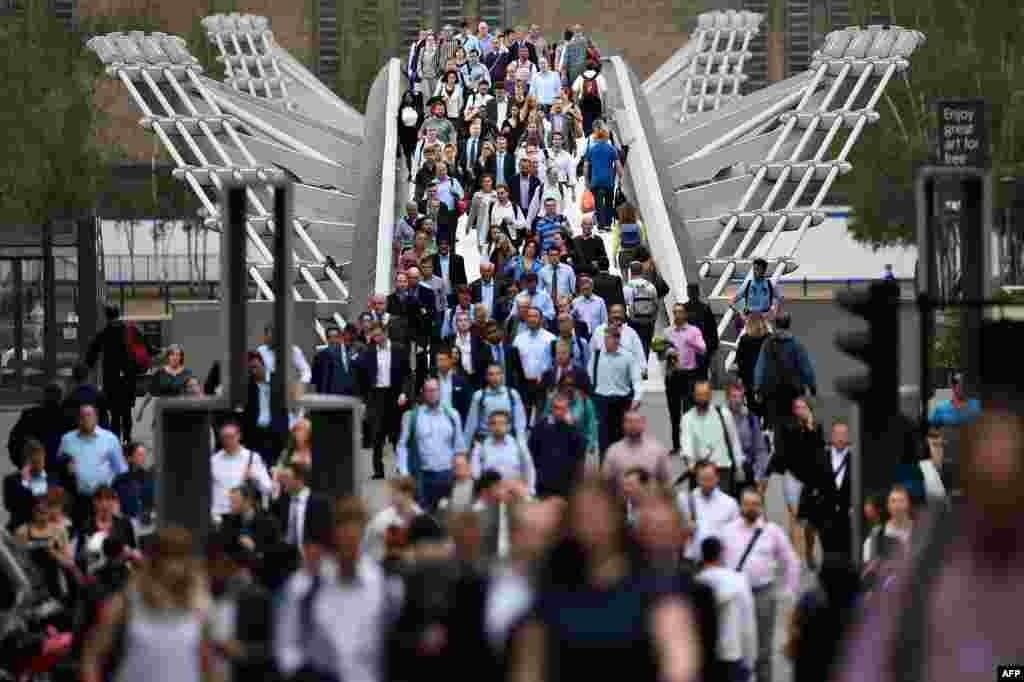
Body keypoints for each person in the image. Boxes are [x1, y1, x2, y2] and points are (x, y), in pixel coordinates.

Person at [509, 476, 702, 682]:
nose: (592, 522)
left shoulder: (656, 588)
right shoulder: (551, 593)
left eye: (598, 512)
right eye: (583, 514)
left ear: (616, 517)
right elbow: (528, 667)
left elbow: (679, 664)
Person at [81, 526, 210, 682]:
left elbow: (206, 662)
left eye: (179, 556)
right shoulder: (125, 601)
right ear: (153, 558)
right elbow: (92, 655)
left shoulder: (199, 604)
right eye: (166, 555)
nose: (173, 564)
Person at [721, 488, 801, 682]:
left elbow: (791, 560)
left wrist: (790, 589)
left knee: (764, 647)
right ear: (740, 506)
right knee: (735, 646)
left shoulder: (772, 531)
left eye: (755, 504)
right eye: (747, 504)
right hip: (736, 595)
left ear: (761, 507)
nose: (751, 508)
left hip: (763, 593)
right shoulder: (727, 531)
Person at [397, 378, 467, 511]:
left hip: (447, 476)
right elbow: (402, 446)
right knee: (424, 520)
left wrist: (461, 470)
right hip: (422, 477)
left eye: (434, 390)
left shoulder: (452, 415)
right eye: (428, 390)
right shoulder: (412, 417)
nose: (432, 394)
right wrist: (404, 472)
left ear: (440, 392)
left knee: (447, 521)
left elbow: (459, 447)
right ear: (423, 393)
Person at [356, 321, 413, 480]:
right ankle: (378, 470)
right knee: (377, 434)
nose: (377, 339)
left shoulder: (398, 349)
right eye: (374, 336)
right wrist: (364, 397)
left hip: (394, 394)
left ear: (386, 333)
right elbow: (361, 375)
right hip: (376, 396)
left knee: (396, 434)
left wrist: (404, 392)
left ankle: (401, 466)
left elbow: (407, 374)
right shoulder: (369, 352)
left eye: (379, 335)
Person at [697, 536, 758, 682]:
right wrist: (750, 661)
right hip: (732, 654)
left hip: (704, 659)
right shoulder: (738, 582)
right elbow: (748, 626)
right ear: (721, 554)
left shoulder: (695, 584)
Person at [58, 403, 127, 527]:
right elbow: (59, 464)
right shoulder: (67, 439)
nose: (85, 419)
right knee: (81, 533)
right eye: (82, 416)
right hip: (78, 499)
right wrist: (65, 467)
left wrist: (116, 500)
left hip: (103, 500)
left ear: (96, 418)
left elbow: (121, 470)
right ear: (77, 419)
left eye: (89, 415)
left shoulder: (110, 439)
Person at [86, 305, 145, 443]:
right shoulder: (130, 329)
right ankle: (128, 439)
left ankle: (116, 440)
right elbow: (145, 345)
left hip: (111, 378)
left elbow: (92, 353)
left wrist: (88, 366)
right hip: (128, 377)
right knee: (126, 411)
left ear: (106, 316)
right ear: (119, 314)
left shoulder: (104, 333)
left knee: (114, 412)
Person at [681, 382, 746, 496]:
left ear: (711, 395)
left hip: (722, 469)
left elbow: (734, 440)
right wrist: (691, 463)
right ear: (695, 396)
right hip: (699, 471)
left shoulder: (723, 414)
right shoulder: (687, 418)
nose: (702, 398)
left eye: (705, 394)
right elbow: (686, 443)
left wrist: (739, 466)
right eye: (699, 395)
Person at [753, 314, 816, 429]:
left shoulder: (767, 344)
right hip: (792, 391)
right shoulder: (796, 344)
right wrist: (812, 387)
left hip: (772, 392)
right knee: (793, 424)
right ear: (789, 325)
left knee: (773, 424)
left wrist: (758, 388)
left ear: (776, 325)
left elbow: (760, 367)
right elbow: (806, 368)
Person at [659, 302, 706, 455]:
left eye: (680, 312)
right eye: (675, 312)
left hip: (688, 375)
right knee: (674, 412)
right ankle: (676, 445)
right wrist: (665, 352)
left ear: (685, 314)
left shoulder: (694, 331)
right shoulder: (667, 332)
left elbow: (703, 348)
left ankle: (689, 445)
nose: (677, 315)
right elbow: (660, 354)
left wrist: (690, 341)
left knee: (688, 412)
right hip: (672, 375)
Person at [589, 329, 643, 458]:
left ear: (617, 340)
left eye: (610, 338)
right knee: (603, 440)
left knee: (621, 440)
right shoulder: (597, 355)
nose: (607, 342)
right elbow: (590, 376)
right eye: (605, 338)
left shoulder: (628, 357)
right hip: (602, 401)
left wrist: (637, 398)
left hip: (621, 401)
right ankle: (605, 472)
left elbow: (636, 379)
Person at [209, 420, 273, 524]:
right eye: (224, 437)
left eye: (231, 436)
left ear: (239, 436)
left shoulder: (252, 458)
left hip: (244, 517)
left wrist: (255, 478)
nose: (227, 440)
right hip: (219, 517)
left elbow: (268, 488)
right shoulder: (214, 460)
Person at [678, 460, 741, 562]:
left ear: (717, 478)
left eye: (710, 479)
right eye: (703, 479)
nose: (707, 483)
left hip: (719, 562)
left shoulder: (730, 504)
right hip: (693, 562)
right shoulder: (685, 500)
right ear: (697, 479)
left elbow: (737, 535)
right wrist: (685, 530)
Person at [529, 392, 588, 499]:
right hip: (544, 484)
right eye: (556, 408)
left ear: (568, 409)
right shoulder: (541, 426)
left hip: (567, 484)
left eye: (563, 409)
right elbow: (532, 450)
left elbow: (581, 451)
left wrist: (572, 428)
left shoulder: (574, 428)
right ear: (551, 408)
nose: (559, 412)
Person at [470, 411, 536, 496]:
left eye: (502, 423)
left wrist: (530, 490)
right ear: (489, 427)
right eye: (494, 423)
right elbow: (475, 473)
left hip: (515, 493)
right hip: (490, 493)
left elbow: (529, 468)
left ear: (509, 426)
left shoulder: (518, 445)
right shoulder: (481, 447)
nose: (498, 427)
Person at [604, 410, 671, 493]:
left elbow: (665, 480)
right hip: (621, 502)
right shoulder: (614, 451)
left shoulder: (658, 449)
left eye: (637, 421)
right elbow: (606, 482)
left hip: (650, 501)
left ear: (644, 424)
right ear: (623, 425)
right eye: (629, 421)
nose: (633, 425)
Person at [363, 476, 423, 562]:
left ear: (407, 494)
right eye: (389, 493)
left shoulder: (421, 517)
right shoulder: (382, 518)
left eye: (394, 493)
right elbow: (367, 543)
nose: (389, 497)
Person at [623, 261, 659, 359]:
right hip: (648, 321)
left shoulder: (627, 288)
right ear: (642, 271)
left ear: (631, 272)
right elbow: (656, 304)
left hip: (634, 321)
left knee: (635, 345)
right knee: (646, 345)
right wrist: (653, 319)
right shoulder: (650, 286)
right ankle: (645, 366)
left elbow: (625, 305)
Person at [734, 313, 769, 414]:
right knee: (766, 404)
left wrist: (740, 375)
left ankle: (755, 424)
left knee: (751, 405)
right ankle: (766, 425)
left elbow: (739, 360)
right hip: (765, 378)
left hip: (749, 378)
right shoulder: (769, 338)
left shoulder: (744, 339)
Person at [310, 325, 357, 397]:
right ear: (326, 339)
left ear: (341, 338)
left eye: (336, 337)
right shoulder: (319, 357)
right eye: (330, 337)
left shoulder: (350, 354)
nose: (333, 340)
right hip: (327, 399)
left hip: (347, 397)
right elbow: (315, 381)